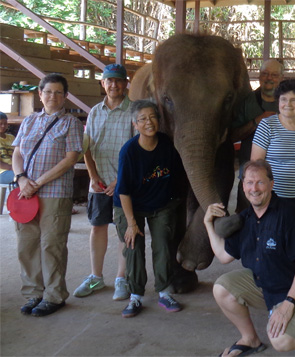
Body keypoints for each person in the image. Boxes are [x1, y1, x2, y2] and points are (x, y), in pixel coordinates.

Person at [204, 160, 295, 357]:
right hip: (265, 286)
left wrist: (288, 304)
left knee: (282, 342)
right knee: (221, 288)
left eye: (260, 182)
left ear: (272, 184)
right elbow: (224, 256)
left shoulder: (289, 215)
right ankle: (250, 339)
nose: (254, 188)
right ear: (242, 187)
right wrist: (207, 223)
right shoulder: (245, 218)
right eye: (249, 183)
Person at [14, 73, 83, 316]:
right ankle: (34, 293)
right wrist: (22, 178)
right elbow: (18, 154)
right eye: (48, 92)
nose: (52, 96)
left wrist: (38, 182)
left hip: (54, 193)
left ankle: (54, 296)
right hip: (25, 194)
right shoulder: (29, 121)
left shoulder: (70, 123)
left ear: (65, 96)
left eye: (58, 92)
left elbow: (70, 159)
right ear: (40, 94)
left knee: (51, 245)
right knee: (27, 245)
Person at [114, 100, 185, 318]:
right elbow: (123, 191)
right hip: (130, 207)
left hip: (160, 204)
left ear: (159, 120)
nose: (148, 122)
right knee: (133, 246)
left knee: (163, 245)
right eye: (143, 119)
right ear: (135, 124)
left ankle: (164, 292)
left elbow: (177, 176)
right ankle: (136, 296)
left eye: (152, 117)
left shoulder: (167, 144)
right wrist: (132, 224)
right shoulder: (129, 151)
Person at [73, 63, 133, 300]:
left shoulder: (134, 111)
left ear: (125, 84)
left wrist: (119, 180)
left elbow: (137, 151)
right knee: (97, 227)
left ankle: (122, 278)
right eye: (109, 80)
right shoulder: (95, 111)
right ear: (103, 83)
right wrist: (93, 176)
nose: (114, 85)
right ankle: (96, 277)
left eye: (118, 80)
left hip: (124, 185)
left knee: (124, 231)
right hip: (98, 183)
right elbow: (86, 147)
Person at [251, 79, 295, 243]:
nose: (288, 104)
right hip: (277, 197)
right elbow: (256, 164)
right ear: (278, 102)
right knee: (277, 243)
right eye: (283, 99)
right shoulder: (267, 125)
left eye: (293, 100)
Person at [232, 59, 283, 212]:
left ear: (281, 77)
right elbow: (232, 136)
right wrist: (255, 122)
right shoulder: (247, 102)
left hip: (280, 173)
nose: (269, 78)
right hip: (250, 172)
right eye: (265, 74)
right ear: (259, 76)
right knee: (246, 214)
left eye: (274, 75)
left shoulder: (287, 101)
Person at [0, 112, 15, 184]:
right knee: (22, 177)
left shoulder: (11, 137)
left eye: (5, 123)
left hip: (14, 169)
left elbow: (19, 155)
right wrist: (12, 168)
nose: (3, 126)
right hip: (2, 172)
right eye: (0, 124)